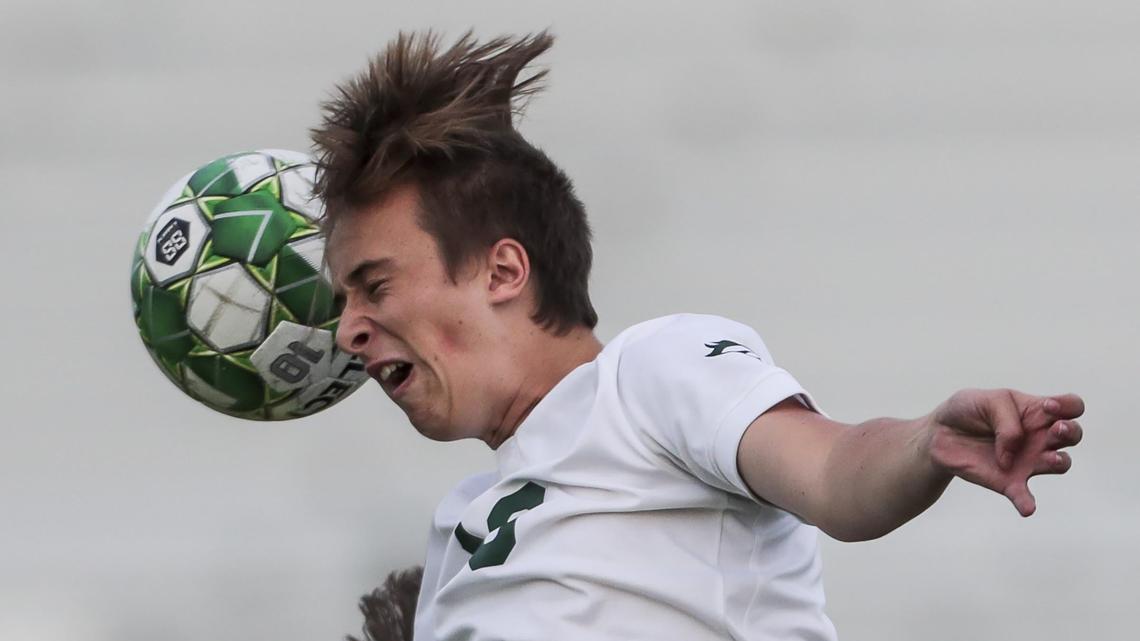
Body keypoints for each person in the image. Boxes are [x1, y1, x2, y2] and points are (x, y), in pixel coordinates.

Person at [312, 31, 1084, 641]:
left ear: (503, 271)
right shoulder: (463, 525)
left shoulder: (648, 375)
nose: (347, 329)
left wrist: (923, 444)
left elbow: (833, 470)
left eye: (374, 286)